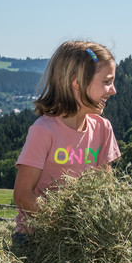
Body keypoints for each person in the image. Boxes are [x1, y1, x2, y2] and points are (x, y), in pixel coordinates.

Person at [12, 41, 121, 247]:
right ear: (77, 82)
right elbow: (23, 195)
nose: (113, 90)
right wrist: (63, 223)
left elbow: (105, 189)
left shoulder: (103, 129)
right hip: (36, 239)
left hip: (82, 239)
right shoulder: (44, 130)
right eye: (107, 81)